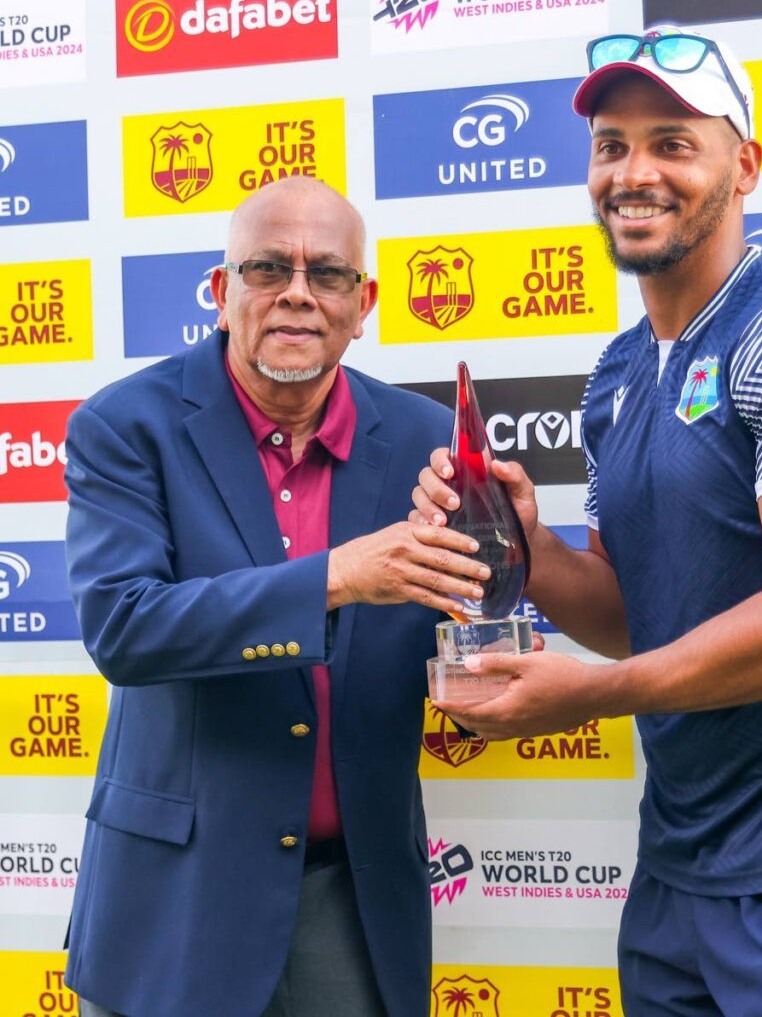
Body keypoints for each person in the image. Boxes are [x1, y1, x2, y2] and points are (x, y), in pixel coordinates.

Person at [413, 26, 762, 1016]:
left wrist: (589, 698)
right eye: (611, 145)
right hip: (677, 871)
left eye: (673, 142)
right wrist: (524, 548)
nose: (633, 173)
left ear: (744, 165)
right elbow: (643, 612)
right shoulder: (619, 374)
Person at [64, 177, 490, 1017]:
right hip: (175, 904)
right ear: (223, 294)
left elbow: (455, 619)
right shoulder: (125, 425)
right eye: (268, 268)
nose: (297, 292)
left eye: (327, 274)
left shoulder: (419, 438)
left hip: (355, 899)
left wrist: (485, 660)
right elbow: (124, 628)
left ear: (362, 303)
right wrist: (337, 577)